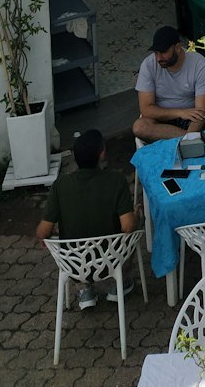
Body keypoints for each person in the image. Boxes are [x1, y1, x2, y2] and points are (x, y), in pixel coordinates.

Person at [35, 129, 136, 310]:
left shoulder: (61, 185)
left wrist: (53, 234)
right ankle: (119, 284)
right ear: (102, 154)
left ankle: (84, 289)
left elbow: (42, 232)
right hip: (110, 261)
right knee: (135, 222)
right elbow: (128, 227)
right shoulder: (116, 180)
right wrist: (137, 215)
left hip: (74, 265)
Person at [133, 25, 205, 142]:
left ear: (177, 48)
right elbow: (146, 109)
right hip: (160, 119)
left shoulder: (199, 64)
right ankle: (192, 140)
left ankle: (189, 140)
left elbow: (202, 111)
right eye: (156, 53)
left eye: (163, 52)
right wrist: (180, 113)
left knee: (198, 118)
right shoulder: (148, 65)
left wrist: (190, 128)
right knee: (139, 127)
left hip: (191, 118)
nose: (158, 58)